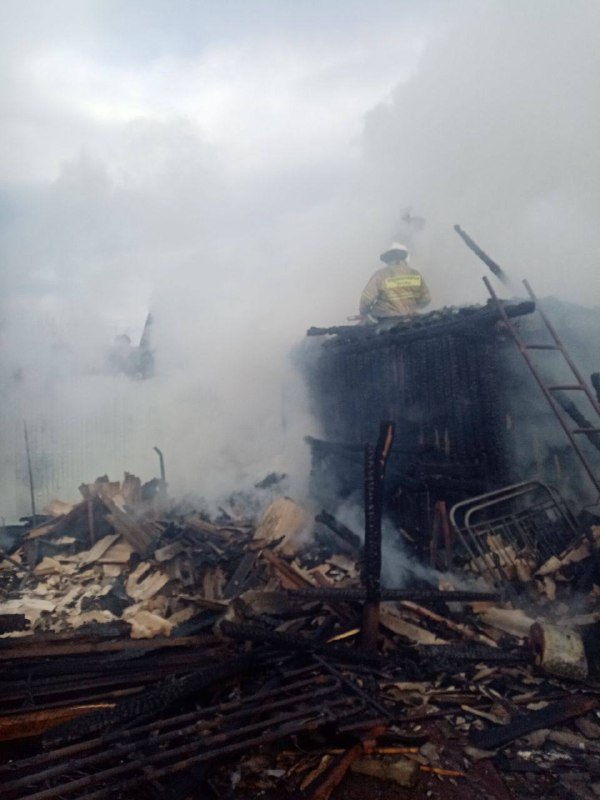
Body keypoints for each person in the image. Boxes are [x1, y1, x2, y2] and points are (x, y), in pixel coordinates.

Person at [359, 242, 431, 320]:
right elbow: (426, 299)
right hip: (411, 319)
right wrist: (411, 308)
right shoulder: (415, 274)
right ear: (403, 259)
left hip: (387, 320)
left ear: (388, 260)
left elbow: (366, 299)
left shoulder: (381, 275)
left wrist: (364, 313)